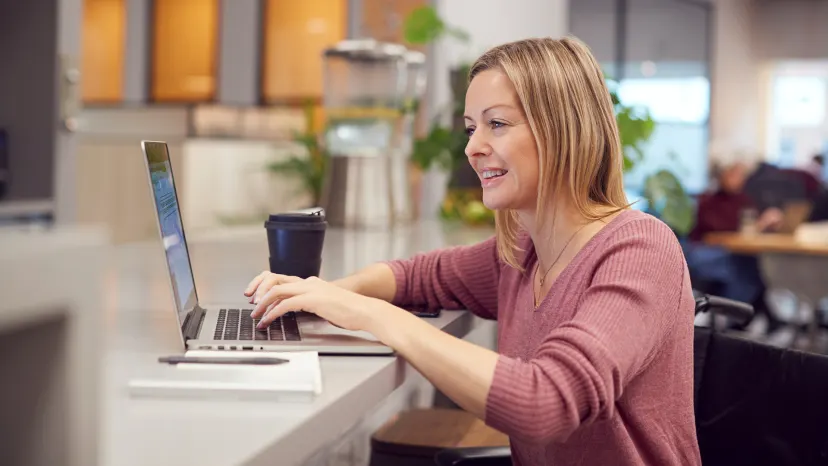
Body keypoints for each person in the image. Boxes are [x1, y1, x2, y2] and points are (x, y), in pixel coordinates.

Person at [245, 37, 700, 466]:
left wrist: (371, 315)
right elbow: (421, 276)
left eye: (496, 124)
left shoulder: (641, 250)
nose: (472, 147)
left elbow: (546, 403)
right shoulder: (523, 253)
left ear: (563, 130)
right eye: (470, 128)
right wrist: (328, 293)